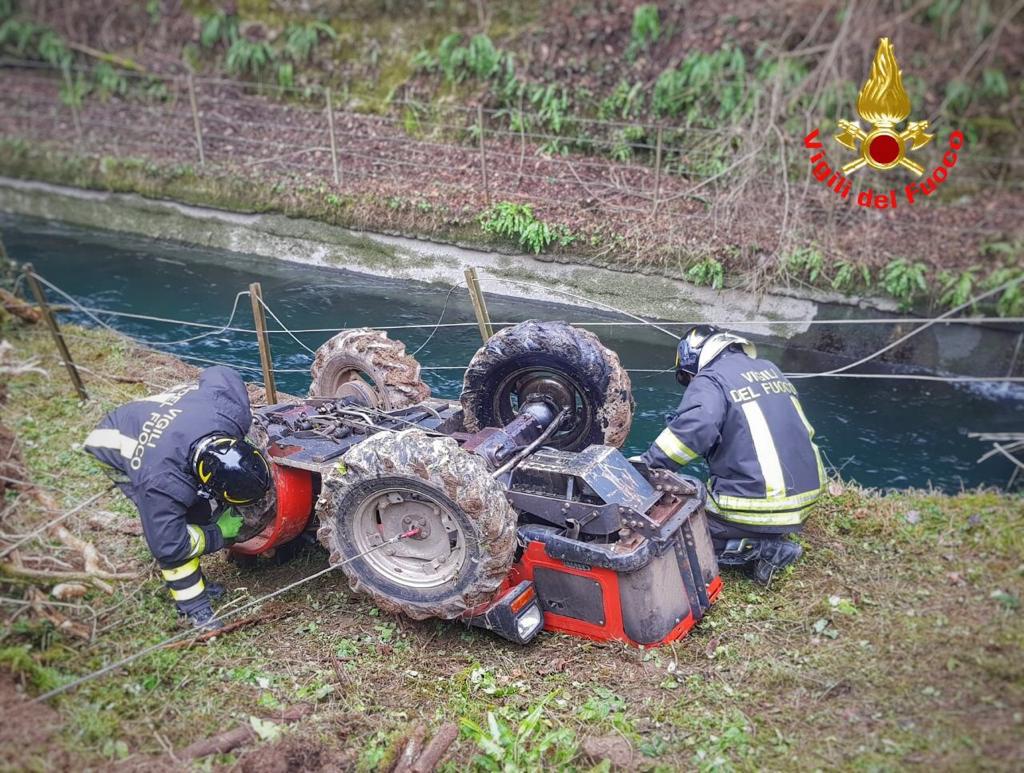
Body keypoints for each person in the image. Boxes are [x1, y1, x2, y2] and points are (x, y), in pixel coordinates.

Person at [83, 366, 271, 629]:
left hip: (161, 419)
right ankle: (194, 609)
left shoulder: (230, 412)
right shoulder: (161, 486)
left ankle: (197, 585)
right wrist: (218, 532)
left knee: (196, 510)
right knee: (180, 525)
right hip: (113, 439)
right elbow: (168, 546)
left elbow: (220, 372)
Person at [639, 325, 826, 583]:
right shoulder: (769, 369)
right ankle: (766, 535)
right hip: (806, 497)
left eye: (686, 377)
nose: (689, 384)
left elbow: (698, 426)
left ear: (693, 357)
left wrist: (648, 465)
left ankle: (763, 549)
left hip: (760, 504)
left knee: (676, 530)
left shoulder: (711, 378)